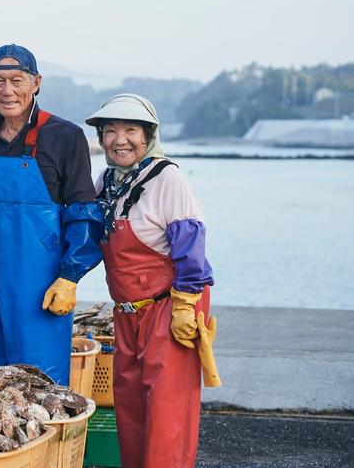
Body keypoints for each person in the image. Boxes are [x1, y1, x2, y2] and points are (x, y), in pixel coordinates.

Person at [0, 44, 103, 385]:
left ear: (37, 83)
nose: (8, 91)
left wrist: (70, 277)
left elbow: (84, 213)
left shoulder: (66, 136)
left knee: (40, 385)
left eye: (18, 80)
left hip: (42, 287)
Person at [87, 93, 215, 467]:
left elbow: (191, 246)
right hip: (127, 313)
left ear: (148, 136)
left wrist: (186, 306)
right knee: (130, 410)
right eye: (110, 130)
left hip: (169, 307)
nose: (119, 139)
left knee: (167, 414)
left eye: (130, 130)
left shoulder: (167, 178)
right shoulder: (106, 182)